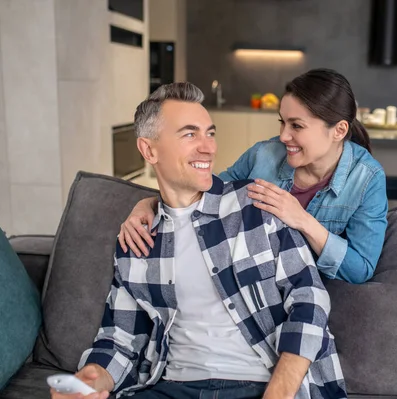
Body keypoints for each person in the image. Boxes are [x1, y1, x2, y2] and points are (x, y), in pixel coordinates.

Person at [50, 83, 346, 399]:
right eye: (190, 135)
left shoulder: (256, 206)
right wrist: (91, 381)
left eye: (210, 133)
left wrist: (280, 391)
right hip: (170, 388)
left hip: (259, 385)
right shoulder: (136, 239)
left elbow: (309, 297)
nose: (208, 147)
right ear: (149, 150)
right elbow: (119, 338)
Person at [119, 69, 388, 284]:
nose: (284, 136)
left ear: (339, 130)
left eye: (297, 126)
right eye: (282, 122)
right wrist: (149, 204)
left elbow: (361, 269)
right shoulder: (264, 154)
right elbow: (202, 192)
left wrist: (303, 220)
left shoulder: (367, 179)